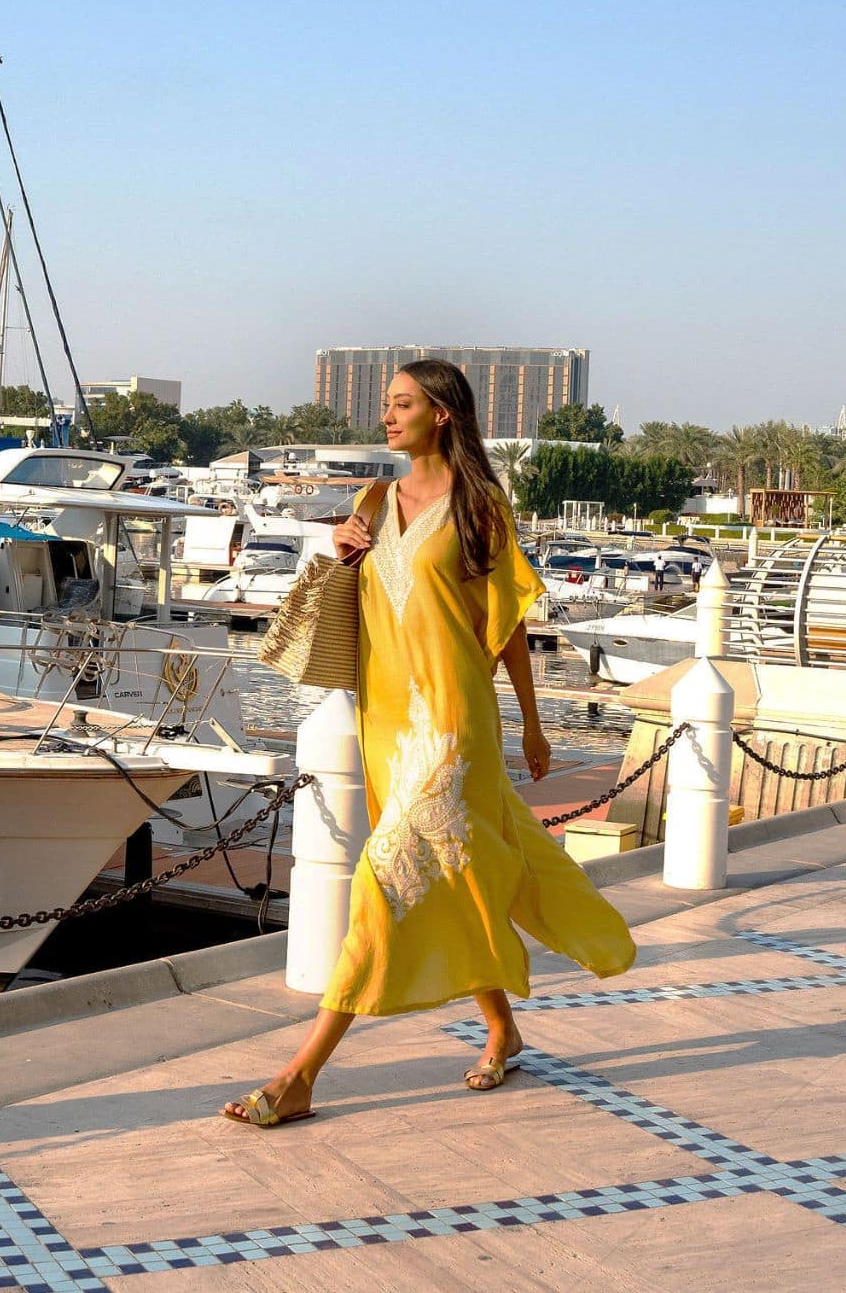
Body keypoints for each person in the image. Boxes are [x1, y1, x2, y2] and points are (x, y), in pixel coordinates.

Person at [222, 359, 636, 1127]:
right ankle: (503, 1027)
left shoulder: (481, 506)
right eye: (385, 403)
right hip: (383, 713)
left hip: (452, 719)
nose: (388, 415)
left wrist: (534, 723)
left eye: (403, 403)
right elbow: (357, 597)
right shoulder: (372, 499)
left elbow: (508, 626)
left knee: (385, 875)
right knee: (441, 867)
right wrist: (342, 551)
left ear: (442, 413)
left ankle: (301, 1073)